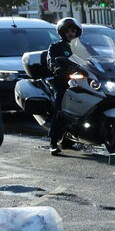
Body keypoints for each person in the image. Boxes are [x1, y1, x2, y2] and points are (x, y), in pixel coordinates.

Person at [46, 18, 83, 156]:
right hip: (63, 82)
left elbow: (95, 59)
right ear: (62, 33)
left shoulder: (83, 47)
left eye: (73, 30)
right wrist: (57, 69)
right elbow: (51, 61)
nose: (71, 33)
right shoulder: (55, 47)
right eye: (67, 31)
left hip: (82, 81)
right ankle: (53, 142)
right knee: (59, 106)